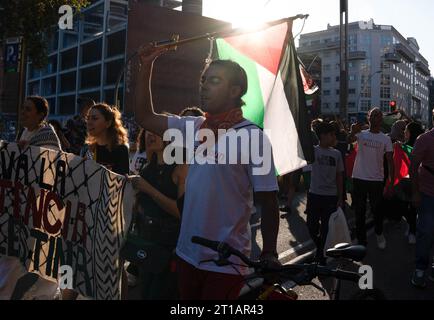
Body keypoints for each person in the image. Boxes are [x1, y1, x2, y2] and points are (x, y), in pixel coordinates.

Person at [136, 45, 280, 300]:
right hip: (186, 254)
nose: (203, 86)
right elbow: (145, 117)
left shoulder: (252, 136)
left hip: (225, 261)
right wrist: (147, 65)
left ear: (235, 91)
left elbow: (269, 201)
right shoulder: (193, 126)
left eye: (214, 81)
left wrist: (269, 252)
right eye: (203, 80)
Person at [128, 130, 187, 299]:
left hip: (169, 245)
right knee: (145, 292)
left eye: (156, 132)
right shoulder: (148, 167)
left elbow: (179, 212)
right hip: (145, 240)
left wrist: (148, 189)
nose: (150, 136)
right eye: (147, 133)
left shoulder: (180, 168)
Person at [348, 107, 394, 249]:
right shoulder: (361, 134)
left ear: (381, 119)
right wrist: (352, 131)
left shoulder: (385, 138)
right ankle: (362, 242)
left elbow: (390, 161)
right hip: (359, 178)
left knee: (377, 210)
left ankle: (379, 233)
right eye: (373, 114)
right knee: (359, 211)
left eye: (378, 115)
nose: (376, 117)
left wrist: (391, 181)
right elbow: (348, 142)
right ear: (369, 118)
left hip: (376, 180)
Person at [306, 122, 344, 265]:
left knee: (326, 229)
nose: (334, 137)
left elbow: (340, 176)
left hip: (331, 196)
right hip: (314, 195)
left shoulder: (337, 154)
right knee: (311, 226)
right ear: (322, 136)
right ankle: (320, 248)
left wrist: (340, 198)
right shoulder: (313, 151)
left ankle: (321, 256)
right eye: (331, 134)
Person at [410, 110, 434, 288]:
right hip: (427, 194)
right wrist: (416, 193)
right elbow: (413, 167)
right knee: (425, 232)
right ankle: (420, 269)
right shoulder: (424, 139)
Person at [81, 103, 130, 175]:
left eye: (95, 118)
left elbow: (121, 182)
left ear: (108, 123)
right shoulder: (87, 149)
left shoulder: (121, 149)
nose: (89, 122)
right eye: (88, 118)